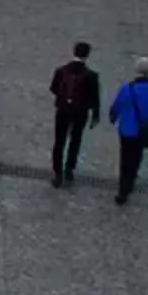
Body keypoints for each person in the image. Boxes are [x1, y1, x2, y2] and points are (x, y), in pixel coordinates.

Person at [109, 57, 148, 205]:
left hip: (126, 129)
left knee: (125, 157)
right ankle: (131, 179)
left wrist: (113, 117)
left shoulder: (127, 88)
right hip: (144, 130)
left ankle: (123, 189)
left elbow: (116, 106)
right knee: (137, 156)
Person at [49, 41, 103, 186]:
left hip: (63, 110)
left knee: (59, 141)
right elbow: (94, 98)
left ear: (73, 52)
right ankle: (69, 169)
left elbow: (53, 88)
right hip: (80, 112)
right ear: (88, 55)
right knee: (75, 140)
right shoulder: (91, 76)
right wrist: (95, 115)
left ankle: (57, 173)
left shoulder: (61, 71)